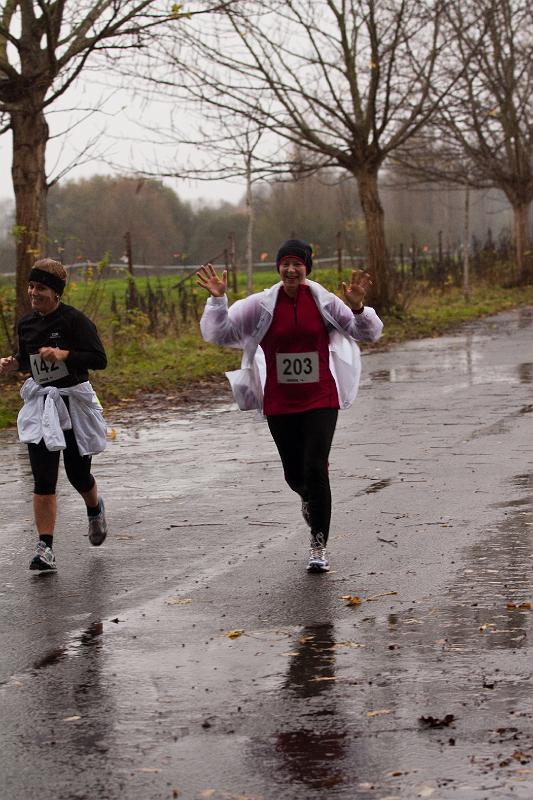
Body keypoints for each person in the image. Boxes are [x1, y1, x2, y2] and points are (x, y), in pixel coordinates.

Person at [196, 238, 383, 573]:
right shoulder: (261, 305)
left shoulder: (324, 302)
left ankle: (319, 544)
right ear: (279, 268)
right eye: (286, 263)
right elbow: (220, 334)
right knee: (295, 474)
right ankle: (307, 499)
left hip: (321, 398)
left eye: (298, 263)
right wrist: (218, 299)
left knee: (316, 467)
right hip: (280, 400)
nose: (292, 269)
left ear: (307, 269)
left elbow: (366, 334)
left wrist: (356, 308)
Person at [0, 258, 108, 572]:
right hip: (42, 403)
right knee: (44, 478)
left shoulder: (75, 321)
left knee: (77, 474)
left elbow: (99, 359)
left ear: (56, 292)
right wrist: (13, 363)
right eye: (31, 286)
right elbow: (27, 358)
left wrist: (65, 355)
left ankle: (94, 507)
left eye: (41, 288)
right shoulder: (27, 323)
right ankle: (45, 547)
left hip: (73, 402)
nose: (34, 292)